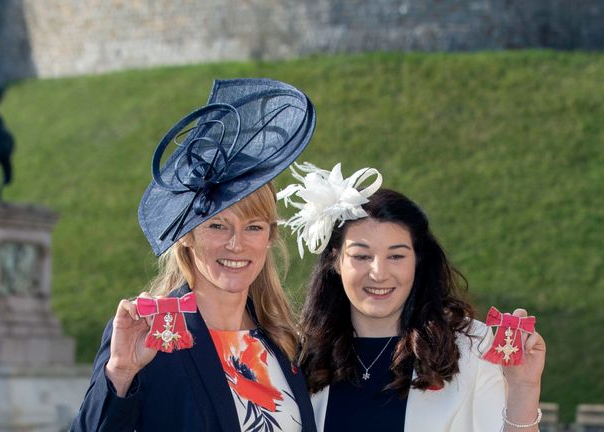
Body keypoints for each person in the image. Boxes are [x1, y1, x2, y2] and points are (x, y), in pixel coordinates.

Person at [71, 78, 317, 431]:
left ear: (270, 237)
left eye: (253, 227)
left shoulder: (283, 339)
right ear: (186, 236)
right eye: (217, 226)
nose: (236, 244)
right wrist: (121, 373)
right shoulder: (153, 335)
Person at [278, 163, 546, 431]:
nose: (379, 273)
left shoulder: (470, 349)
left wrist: (524, 389)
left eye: (396, 256)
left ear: (418, 261)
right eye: (362, 256)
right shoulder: (299, 354)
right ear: (335, 261)